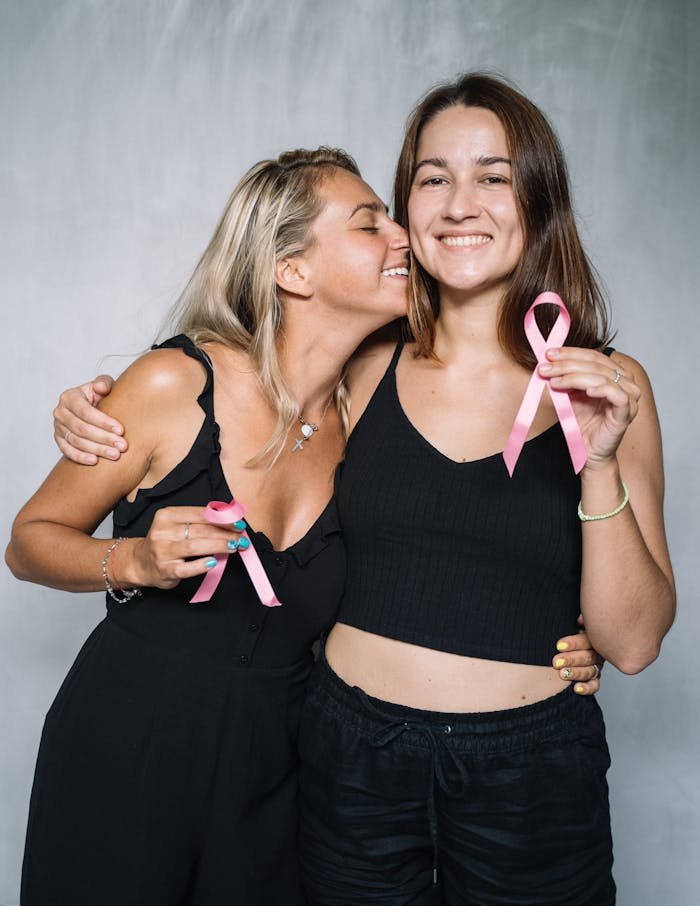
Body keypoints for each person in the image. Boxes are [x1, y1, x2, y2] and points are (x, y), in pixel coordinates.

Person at [292, 74, 675, 904]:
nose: (460, 204)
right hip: (350, 764)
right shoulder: (362, 366)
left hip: (532, 779)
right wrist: (115, 404)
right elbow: (236, 411)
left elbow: (635, 641)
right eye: (433, 178)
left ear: (537, 199)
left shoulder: (608, 384)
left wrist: (599, 459)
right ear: (407, 207)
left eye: (493, 176)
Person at [6, 146, 414, 905]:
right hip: (126, 743)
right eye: (370, 224)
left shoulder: (368, 417)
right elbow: (28, 541)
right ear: (293, 270)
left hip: (279, 775)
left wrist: (551, 643)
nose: (403, 236)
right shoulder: (174, 382)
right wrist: (132, 560)